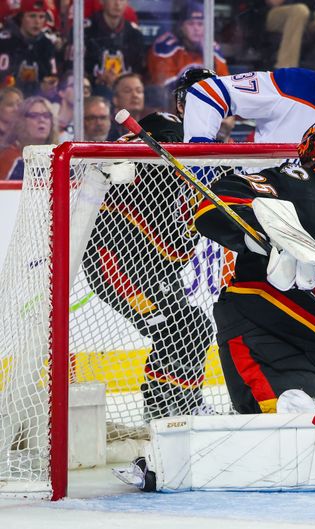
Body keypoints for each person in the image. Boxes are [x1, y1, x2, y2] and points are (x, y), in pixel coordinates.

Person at [195, 115, 315, 414]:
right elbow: (216, 205)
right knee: (295, 425)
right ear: (312, 148)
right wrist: (264, 238)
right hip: (269, 338)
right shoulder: (288, 182)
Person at [81, 69, 219, 422]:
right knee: (184, 326)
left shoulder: (212, 147)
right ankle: (175, 410)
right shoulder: (164, 125)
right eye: (196, 95)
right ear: (181, 101)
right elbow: (116, 154)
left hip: (157, 266)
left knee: (190, 328)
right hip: (119, 258)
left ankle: (162, 410)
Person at [183, 24, 315, 196]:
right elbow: (207, 91)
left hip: (313, 229)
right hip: (254, 207)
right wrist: (200, 161)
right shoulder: (290, 85)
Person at [147, 2, 230, 93]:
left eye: (200, 24)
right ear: (181, 26)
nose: (196, 28)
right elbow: (166, 88)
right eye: (191, 24)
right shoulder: (166, 47)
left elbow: (224, 86)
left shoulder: (212, 49)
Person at [82, 0, 145, 94]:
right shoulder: (85, 30)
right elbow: (72, 69)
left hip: (125, 93)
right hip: (92, 92)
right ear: (101, 1)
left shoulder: (135, 34)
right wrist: (97, 79)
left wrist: (121, 81)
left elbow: (139, 72)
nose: (117, 4)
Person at [0, 0, 59, 97]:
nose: (37, 22)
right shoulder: (5, 42)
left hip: (36, 102)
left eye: (41, 17)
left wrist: (48, 85)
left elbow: (51, 81)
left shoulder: (47, 44)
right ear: (21, 18)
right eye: (32, 16)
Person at [0, 95, 58, 180]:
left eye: (46, 115)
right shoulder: (9, 156)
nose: (41, 120)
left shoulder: (59, 156)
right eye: (34, 115)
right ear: (21, 122)